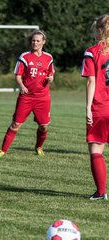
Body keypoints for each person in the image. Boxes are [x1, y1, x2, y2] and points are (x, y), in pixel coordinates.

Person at [0, 29, 54, 157]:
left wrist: (51, 78)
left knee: (44, 126)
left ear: (43, 42)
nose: (35, 43)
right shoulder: (24, 56)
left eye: (38, 41)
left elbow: (51, 73)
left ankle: (39, 146)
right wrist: (21, 86)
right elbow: (18, 75)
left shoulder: (48, 57)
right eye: (33, 40)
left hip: (43, 98)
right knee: (16, 124)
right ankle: (3, 150)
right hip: (26, 97)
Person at [82, 14, 109, 200]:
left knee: (96, 150)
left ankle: (101, 193)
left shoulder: (92, 52)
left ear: (99, 30)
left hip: (101, 107)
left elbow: (91, 81)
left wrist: (88, 108)